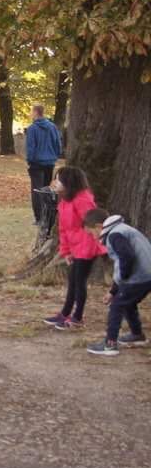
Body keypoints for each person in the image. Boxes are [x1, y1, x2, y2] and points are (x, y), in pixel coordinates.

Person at [41, 167, 106, 330]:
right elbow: (63, 229)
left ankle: (77, 317)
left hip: (87, 248)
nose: (55, 182)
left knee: (79, 282)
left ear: (69, 183)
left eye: (59, 179)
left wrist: (97, 248)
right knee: (72, 281)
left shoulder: (83, 200)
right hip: (75, 248)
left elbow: (93, 226)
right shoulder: (64, 201)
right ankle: (65, 313)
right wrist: (66, 251)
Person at [83, 209, 151, 356]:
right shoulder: (122, 229)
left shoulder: (114, 235)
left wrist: (124, 280)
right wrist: (114, 290)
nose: (94, 237)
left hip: (140, 276)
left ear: (99, 226)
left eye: (92, 233)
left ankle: (110, 344)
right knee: (127, 302)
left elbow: (127, 257)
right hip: (147, 275)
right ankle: (137, 335)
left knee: (117, 305)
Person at [26, 104, 62, 225]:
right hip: (49, 162)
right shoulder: (53, 127)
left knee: (37, 190)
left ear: (36, 112)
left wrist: (30, 160)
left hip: (37, 163)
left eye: (32, 111)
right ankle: (48, 216)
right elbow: (58, 143)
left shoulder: (32, 128)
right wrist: (55, 155)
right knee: (47, 189)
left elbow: (31, 147)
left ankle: (39, 217)